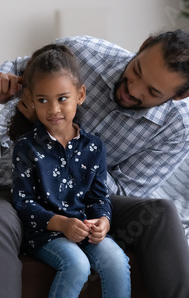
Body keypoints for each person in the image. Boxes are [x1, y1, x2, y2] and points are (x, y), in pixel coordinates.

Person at [0, 29, 189, 298]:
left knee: (161, 212)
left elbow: (125, 190)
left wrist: (71, 146)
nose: (133, 88)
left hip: (88, 203)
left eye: (152, 91)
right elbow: (17, 69)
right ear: (142, 46)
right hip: (19, 187)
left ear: (179, 96)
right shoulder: (82, 53)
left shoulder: (182, 126)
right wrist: (0, 86)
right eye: (137, 70)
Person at [10, 44, 131, 298]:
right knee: (77, 264)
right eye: (43, 100)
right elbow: (23, 203)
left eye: (62, 99)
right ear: (31, 99)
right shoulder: (26, 147)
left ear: (80, 95)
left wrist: (103, 222)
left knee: (116, 260)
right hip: (44, 234)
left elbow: (99, 198)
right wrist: (62, 224)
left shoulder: (94, 147)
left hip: (84, 228)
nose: (53, 109)